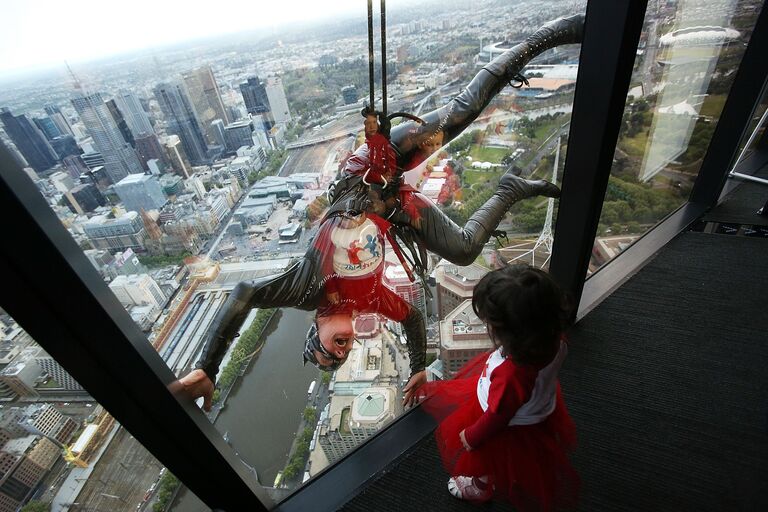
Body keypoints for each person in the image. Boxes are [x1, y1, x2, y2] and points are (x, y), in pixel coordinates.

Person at [177, 13, 585, 411]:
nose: (341, 355)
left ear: (315, 329)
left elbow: (244, 293)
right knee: (462, 251)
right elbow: (412, 321)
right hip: (396, 209)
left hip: (372, 169)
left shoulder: (304, 289)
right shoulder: (373, 301)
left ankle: (546, 36)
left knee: (462, 113)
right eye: (341, 359)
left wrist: (208, 365)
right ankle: (509, 191)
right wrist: (419, 367)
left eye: (328, 354)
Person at [418, 264, 579, 510]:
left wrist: (472, 436)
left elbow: (498, 414)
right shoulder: (554, 339)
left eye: (491, 323)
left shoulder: (512, 373)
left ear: (514, 334)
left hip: (509, 425)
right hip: (538, 406)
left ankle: (480, 487)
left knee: (489, 459)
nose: (488, 327)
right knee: (520, 458)